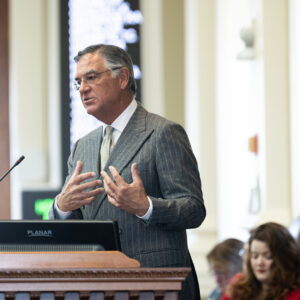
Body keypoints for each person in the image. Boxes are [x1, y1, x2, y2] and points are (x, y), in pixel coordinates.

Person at [48, 44, 206, 299]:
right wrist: (62, 207)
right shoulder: (82, 146)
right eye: (78, 82)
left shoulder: (162, 133)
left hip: (154, 283)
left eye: (92, 77)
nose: (83, 89)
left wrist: (146, 206)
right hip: (96, 284)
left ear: (122, 78)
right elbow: (76, 221)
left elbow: (194, 209)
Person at [221, 222, 300, 300]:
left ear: (283, 258)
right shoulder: (238, 287)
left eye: (268, 257)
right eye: (255, 256)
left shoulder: (296, 295)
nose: (260, 263)